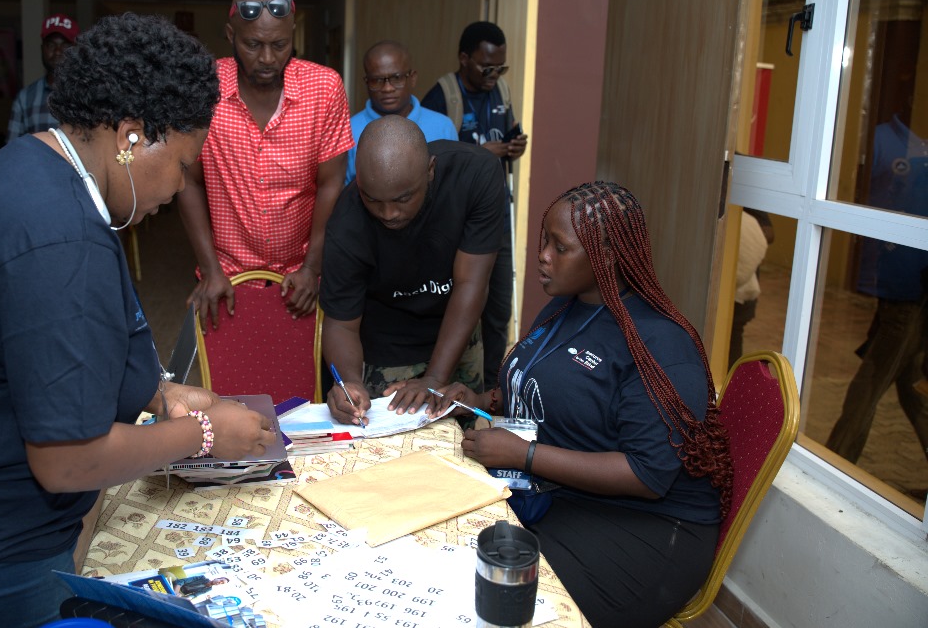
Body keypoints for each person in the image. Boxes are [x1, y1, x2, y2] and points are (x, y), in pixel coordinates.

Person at [0, 13, 276, 628]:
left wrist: (159, 394)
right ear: (131, 136)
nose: (180, 188)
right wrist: (205, 436)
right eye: (183, 165)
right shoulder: (60, 238)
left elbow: (38, 346)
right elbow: (67, 461)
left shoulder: (31, 167)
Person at [426, 181, 733, 628]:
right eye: (544, 241)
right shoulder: (565, 309)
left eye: (560, 247)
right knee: (444, 556)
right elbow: (557, 393)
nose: (543, 256)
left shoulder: (660, 344)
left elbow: (647, 475)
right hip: (567, 497)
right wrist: (480, 401)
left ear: (606, 257)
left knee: (497, 606)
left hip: (647, 530)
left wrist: (524, 454)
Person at [177, 0, 350, 328]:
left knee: (304, 362)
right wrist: (210, 269)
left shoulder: (324, 88)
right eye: (253, 44)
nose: (268, 58)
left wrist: (312, 267)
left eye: (280, 45)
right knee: (230, 363)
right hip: (227, 275)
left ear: (292, 33)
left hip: (302, 274)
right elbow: (188, 181)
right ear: (231, 35)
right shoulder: (203, 89)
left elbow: (331, 184)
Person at [320, 115, 504, 423]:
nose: (388, 213)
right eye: (372, 199)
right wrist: (350, 383)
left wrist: (434, 377)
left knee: (463, 439)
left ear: (430, 170)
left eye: (403, 198)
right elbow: (341, 324)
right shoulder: (346, 224)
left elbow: (471, 283)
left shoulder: (475, 174)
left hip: (456, 329)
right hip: (385, 343)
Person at [422, 21, 528, 392]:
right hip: (457, 218)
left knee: (498, 307)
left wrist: (514, 147)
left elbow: (506, 133)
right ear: (464, 59)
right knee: (459, 301)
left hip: (495, 212)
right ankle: (447, 383)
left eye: (501, 67)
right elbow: (430, 162)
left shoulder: (501, 90)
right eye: (486, 67)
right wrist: (481, 154)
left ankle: (491, 390)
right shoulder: (441, 97)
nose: (494, 75)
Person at [827, 114, 928, 466]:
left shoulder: (919, 168)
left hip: (909, 301)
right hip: (899, 297)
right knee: (912, 390)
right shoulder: (905, 155)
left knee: (866, 386)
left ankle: (835, 464)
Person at [345, 40, 456, 184]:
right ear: (366, 82)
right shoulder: (348, 131)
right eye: (376, 80)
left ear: (413, 78)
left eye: (397, 78)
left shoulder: (443, 126)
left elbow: (453, 184)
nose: (387, 88)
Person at [7, 12, 79, 141]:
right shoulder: (25, 99)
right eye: (51, 45)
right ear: (42, 48)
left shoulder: (88, 94)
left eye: (65, 45)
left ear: (75, 50)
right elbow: (13, 148)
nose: (57, 51)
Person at [728, 207, 773, 370]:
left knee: (731, 344)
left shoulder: (744, 207)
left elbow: (769, 234)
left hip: (738, 295)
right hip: (739, 290)